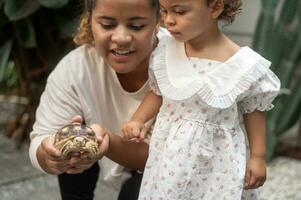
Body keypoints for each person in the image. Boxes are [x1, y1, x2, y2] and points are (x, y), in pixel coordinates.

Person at [121, 0, 281, 199]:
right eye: (164, 11)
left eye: (179, 11)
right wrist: (138, 119)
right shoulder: (166, 51)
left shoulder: (243, 65)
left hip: (218, 161)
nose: (168, 20)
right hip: (171, 155)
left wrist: (257, 157)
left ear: (215, 8)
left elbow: (254, 110)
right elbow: (158, 92)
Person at [28, 0, 165, 199]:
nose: (121, 38)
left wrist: (107, 141)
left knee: (135, 193)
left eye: (136, 26)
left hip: (169, 168)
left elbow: (167, 160)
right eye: (107, 25)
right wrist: (49, 155)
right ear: (90, 19)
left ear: (158, 20)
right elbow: (40, 139)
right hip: (93, 153)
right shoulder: (76, 69)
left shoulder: (179, 61)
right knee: (70, 139)